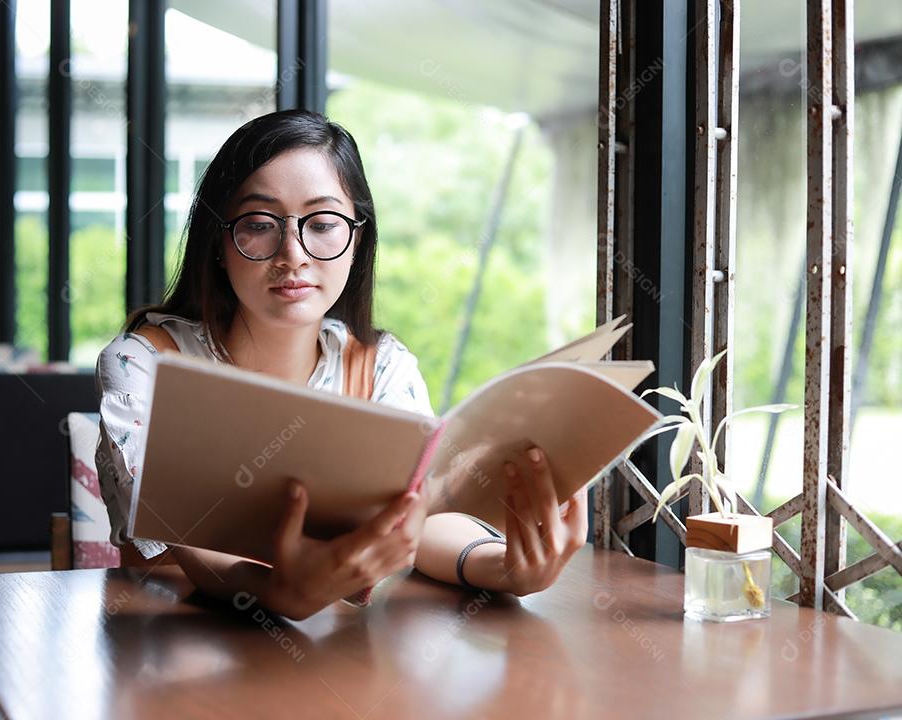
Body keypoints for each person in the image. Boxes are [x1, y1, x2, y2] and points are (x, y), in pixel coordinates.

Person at [94, 109, 587, 621]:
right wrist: (277, 593)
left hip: (343, 660)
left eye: (323, 224)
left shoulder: (381, 367)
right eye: (260, 225)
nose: (293, 254)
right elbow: (185, 541)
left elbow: (423, 517)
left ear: (358, 240)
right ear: (218, 242)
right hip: (171, 654)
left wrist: (501, 566)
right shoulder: (145, 366)